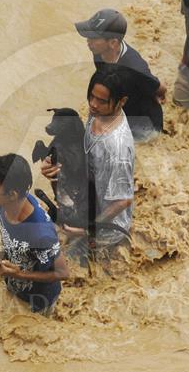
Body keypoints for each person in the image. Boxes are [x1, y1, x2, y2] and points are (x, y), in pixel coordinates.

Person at [41, 67, 135, 263]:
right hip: (85, 200)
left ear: (122, 101)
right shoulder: (99, 114)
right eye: (91, 96)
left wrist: (86, 229)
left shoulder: (118, 149)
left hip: (105, 228)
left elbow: (123, 200)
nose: (93, 105)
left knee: (69, 265)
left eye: (101, 101)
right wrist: (54, 161)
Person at [0, 153, 69, 314]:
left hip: (38, 302)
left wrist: (20, 274)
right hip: (14, 284)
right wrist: (4, 254)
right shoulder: (4, 206)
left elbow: (63, 273)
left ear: (12, 195)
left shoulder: (41, 234)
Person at [74, 8, 165, 142]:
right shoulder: (99, 51)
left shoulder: (135, 68)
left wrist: (157, 95)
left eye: (94, 38)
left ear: (113, 43)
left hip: (144, 124)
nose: (88, 41)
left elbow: (161, 89)